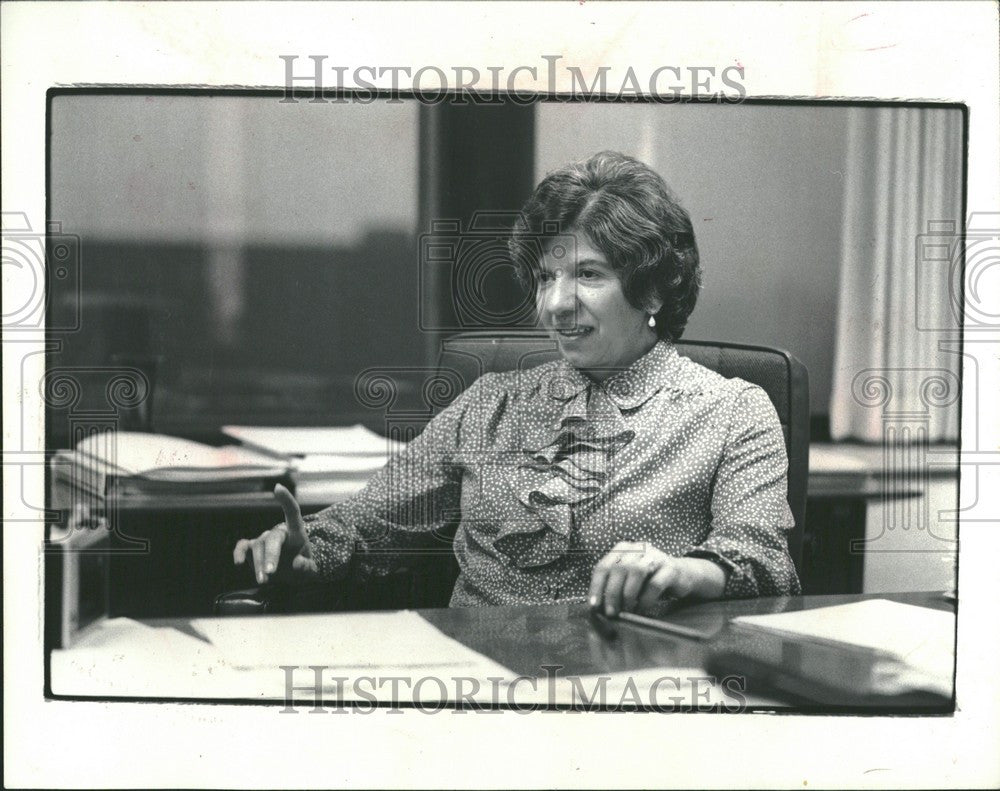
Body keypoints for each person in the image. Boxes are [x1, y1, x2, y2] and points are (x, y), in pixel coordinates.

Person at [233, 150, 801, 617]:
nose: (555, 303)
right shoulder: (488, 403)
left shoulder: (732, 412)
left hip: (629, 687)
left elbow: (762, 560)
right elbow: (367, 522)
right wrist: (303, 548)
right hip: (469, 686)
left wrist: (679, 571)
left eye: (588, 274)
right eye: (546, 277)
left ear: (653, 290)